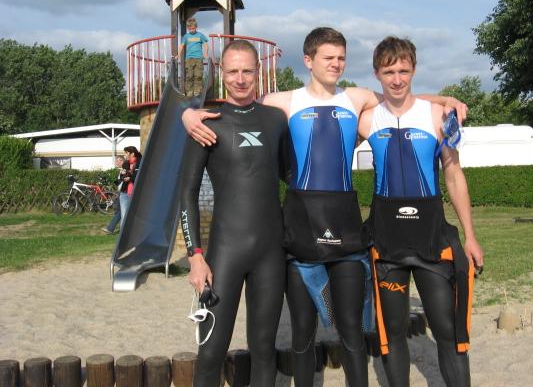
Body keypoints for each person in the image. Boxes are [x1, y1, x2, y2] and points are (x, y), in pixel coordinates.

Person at [182, 27, 468, 386]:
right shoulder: (272, 106)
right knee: (256, 342)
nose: (336, 63)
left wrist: (446, 99)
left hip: (319, 239)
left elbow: (400, 96)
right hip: (268, 240)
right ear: (308, 60)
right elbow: (196, 176)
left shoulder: (347, 99)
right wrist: (187, 113)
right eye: (328, 57)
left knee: (317, 338)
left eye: (341, 58)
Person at [360, 36, 483, 387]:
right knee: (392, 332)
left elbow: (454, 175)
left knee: (447, 329)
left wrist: (470, 237)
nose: (397, 79)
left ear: (414, 70)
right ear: (377, 74)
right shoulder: (367, 119)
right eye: (389, 72)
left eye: (404, 71)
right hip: (387, 243)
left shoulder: (437, 116)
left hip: (432, 240)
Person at [179, 40, 289, 386]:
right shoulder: (206, 122)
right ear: (221, 72)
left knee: (264, 350)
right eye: (232, 71)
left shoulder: (276, 120)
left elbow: (293, 176)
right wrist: (195, 256)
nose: (240, 79)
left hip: (270, 253)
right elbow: (187, 193)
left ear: (258, 72)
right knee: (211, 352)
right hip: (225, 254)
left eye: (247, 71)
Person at [177, 17, 210, 97]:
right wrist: (178, 55)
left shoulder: (200, 35)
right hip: (189, 59)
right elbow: (181, 46)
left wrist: (205, 53)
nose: (191, 30)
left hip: (198, 58)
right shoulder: (186, 36)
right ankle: (189, 91)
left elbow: (205, 44)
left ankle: (197, 91)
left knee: (198, 75)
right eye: (190, 29)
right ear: (188, 28)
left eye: (193, 28)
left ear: (196, 27)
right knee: (189, 76)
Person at [102, 155, 125, 235]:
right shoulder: (121, 170)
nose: (116, 162)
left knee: (120, 212)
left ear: (122, 161)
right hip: (121, 193)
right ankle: (111, 228)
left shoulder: (124, 170)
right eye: (116, 161)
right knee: (119, 211)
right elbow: (119, 182)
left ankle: (110, 228)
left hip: (124, 193)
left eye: (118, 161)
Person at [119, 146, 141, 222]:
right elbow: (121, 178)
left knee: (137, 217)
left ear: (132, 154)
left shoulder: (141, 163)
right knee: (124, 218)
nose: (124, 155)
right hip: (124, 194)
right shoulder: (125, 163)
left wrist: (130, 178)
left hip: (137, 194)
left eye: (126, 153)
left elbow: (140, 176)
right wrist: (122, 174)